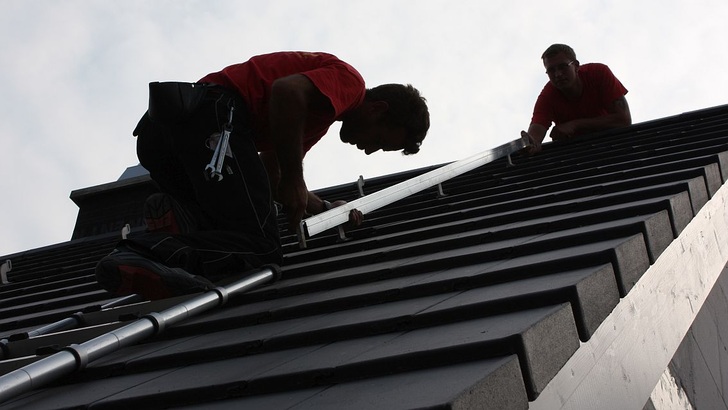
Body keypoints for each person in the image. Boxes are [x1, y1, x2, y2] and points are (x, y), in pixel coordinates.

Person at [95, 51, 430, 300]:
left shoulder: (313, 118)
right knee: (261, 247)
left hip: (169, 133)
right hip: (212, 119)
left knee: (228, 226)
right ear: (378, 109)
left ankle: (182, 221)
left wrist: (324, 207)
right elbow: (286, 92)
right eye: (380, 141)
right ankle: (146, 253)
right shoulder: (351, 85)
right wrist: (295, 181)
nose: (369, 150)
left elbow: (273, 175)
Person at [522, 44, 631, 155]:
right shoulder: (547, 97)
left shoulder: (598, 73)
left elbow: (624, 120)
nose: (558, 74)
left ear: (576, 66)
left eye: (563, 67)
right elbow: (535, 134)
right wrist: (530, 144)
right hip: (578, 154)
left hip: (614, 144)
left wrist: (575, 125)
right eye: (551, 70)